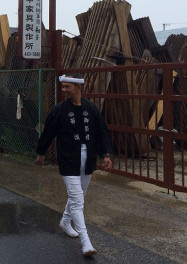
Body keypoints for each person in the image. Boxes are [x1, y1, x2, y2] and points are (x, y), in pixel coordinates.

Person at [35, 74, 113, 257]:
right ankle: (86, 242)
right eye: (63, 87)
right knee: (77, 199)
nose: (63, 90)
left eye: (67, 87)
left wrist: (106, 154)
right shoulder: (59, 110)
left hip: (88, 160)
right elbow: (48, 133)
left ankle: (65, 221)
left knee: (79, 196)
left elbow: (102, 133)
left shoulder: (91, 109)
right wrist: (41, 153)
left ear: (78, 87)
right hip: (69, 159)